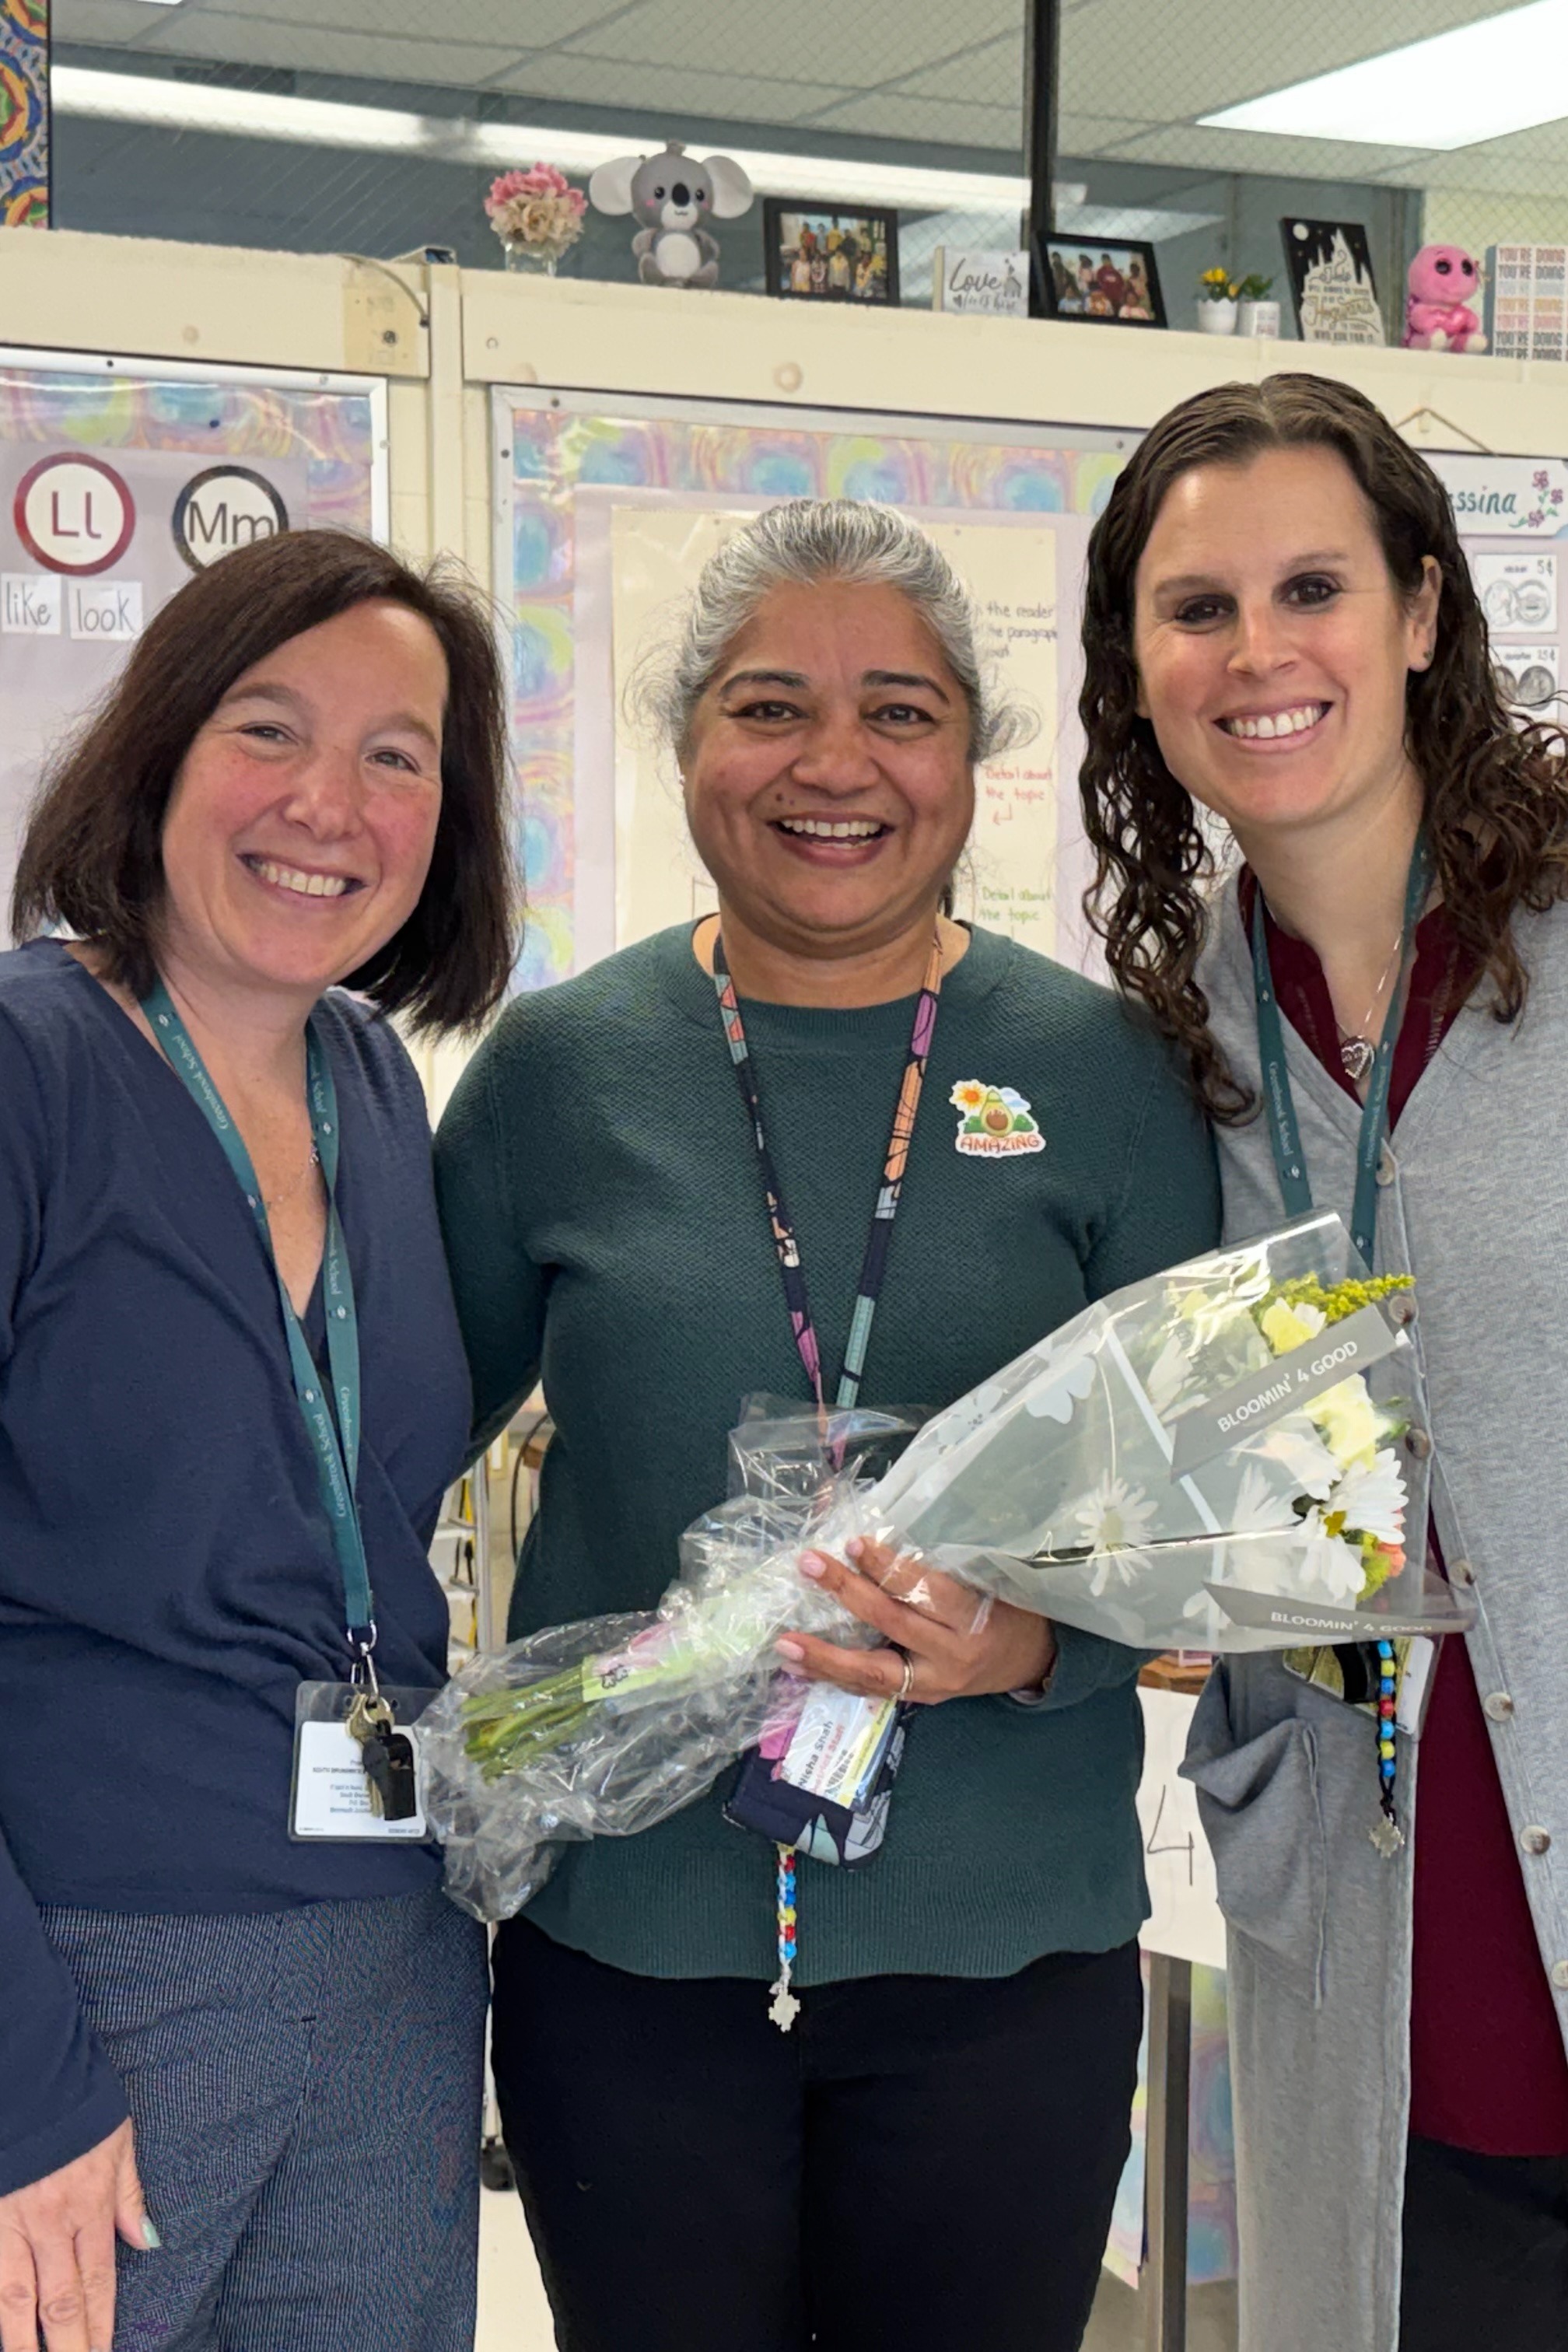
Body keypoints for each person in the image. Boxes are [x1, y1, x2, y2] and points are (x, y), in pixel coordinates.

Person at [435, 497, 1220, 2352]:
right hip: (626, 1952)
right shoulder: (559, 1073)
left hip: (1004, 1953)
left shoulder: (1103, 1079)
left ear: (975, 759)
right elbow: (387, 1448)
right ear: (690, 745)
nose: (835, 765)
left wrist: (1039, 1641)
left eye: (903, 711)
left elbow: (1196, 1521)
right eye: (770, 706)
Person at [1076, 372, 1568, 2352]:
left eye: (1313, 588)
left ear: (1423, 611)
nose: (1258, 654)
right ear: (1135, 662)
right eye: (1197, 608)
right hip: (1378, 1909)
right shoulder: (1165, 1052)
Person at [0, 529, 515, 2352]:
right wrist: (18, 2090)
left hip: (387, 1952)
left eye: (399, 756)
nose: (331, 802)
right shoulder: (32, 1071)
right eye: (269, 728)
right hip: (91, 1974)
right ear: (155, 753)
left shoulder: (371, 1081)